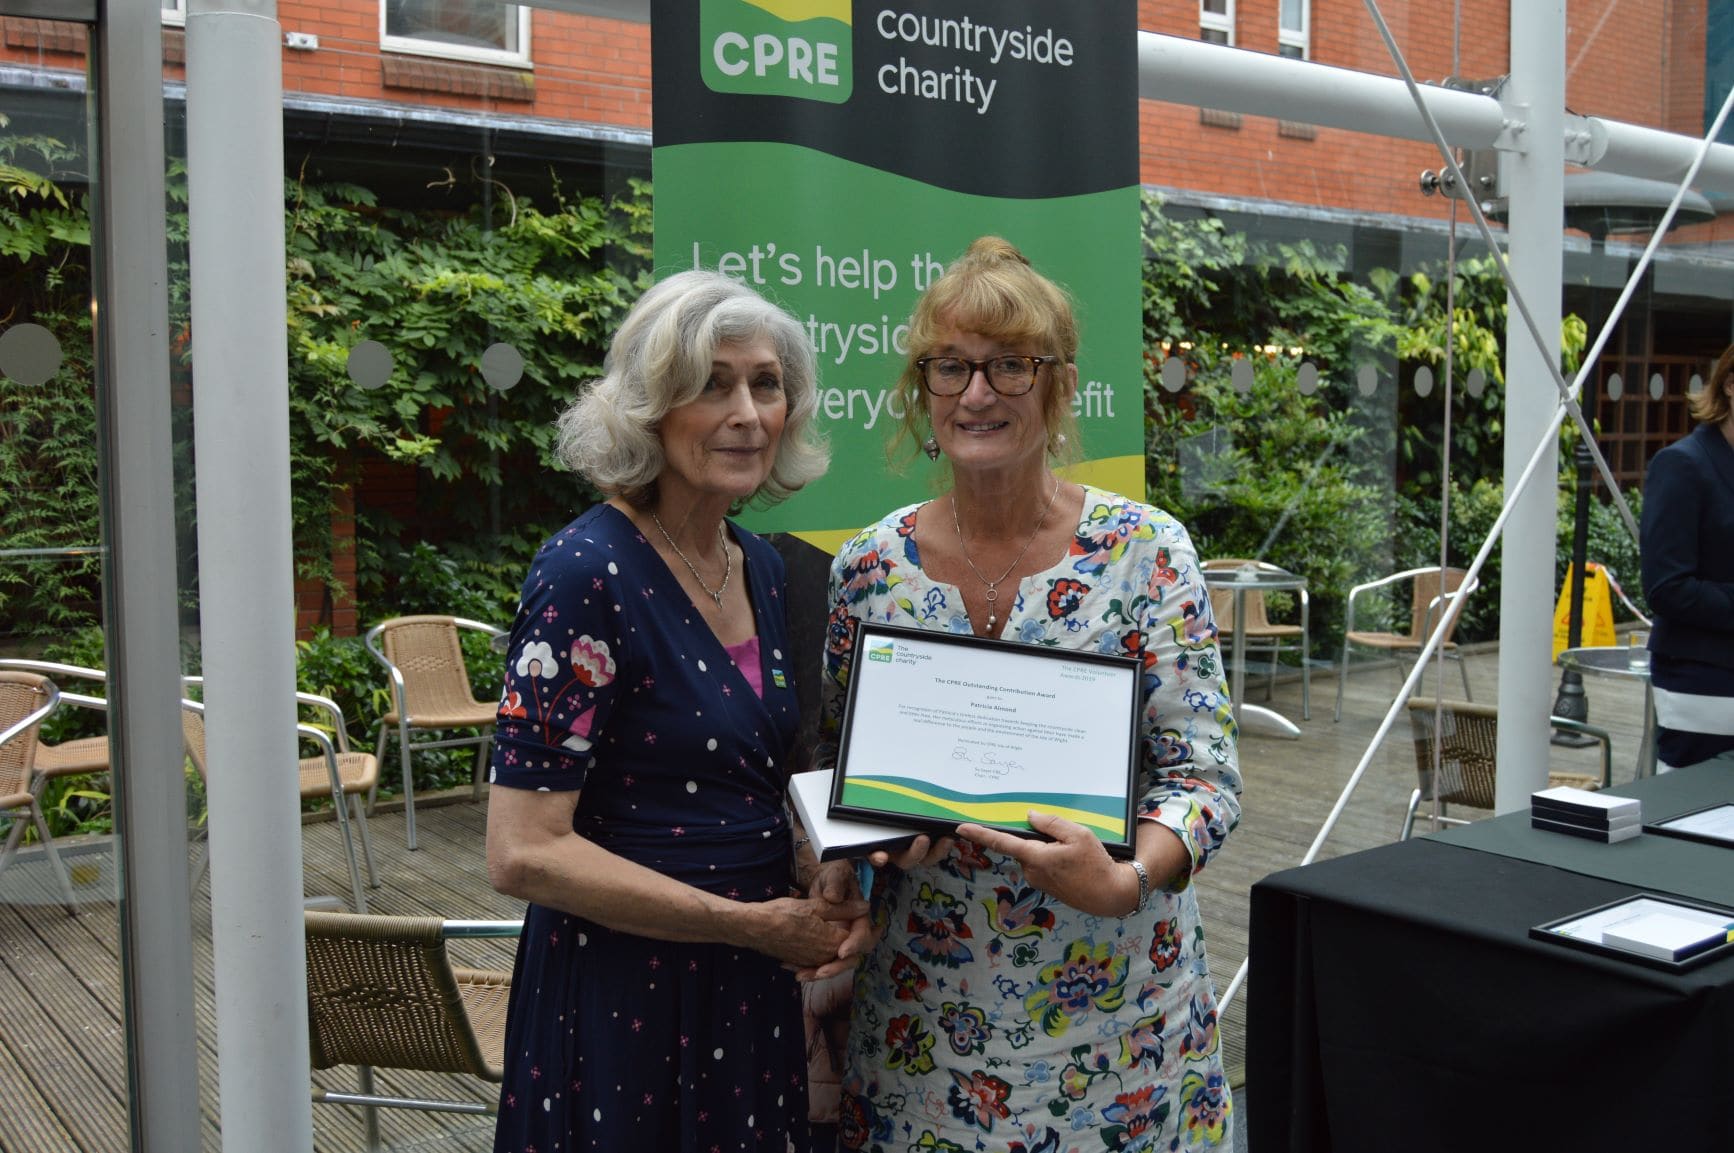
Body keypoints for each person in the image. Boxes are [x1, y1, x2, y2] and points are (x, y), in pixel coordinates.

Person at [820, 238, 1242, 1151]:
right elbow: (840, 768)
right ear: (922, 392)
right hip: (923, 1028)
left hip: (1120, 1025)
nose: (978, 392)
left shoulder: (1147, 551)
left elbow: (1205, 778)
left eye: (1011, 364)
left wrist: (1127, 878)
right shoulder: (868, 567)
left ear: (1057, 386)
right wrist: (869, 848)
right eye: (952, 366)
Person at [485, 269, 868, 1153]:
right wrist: (750, 923)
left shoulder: (760, 567)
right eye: (710, 382)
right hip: (626, 996)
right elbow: (522, 850)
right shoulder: (587, 572)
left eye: (766, 383)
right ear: (649, 408)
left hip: (749, 992)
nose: (746, 411)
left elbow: (744, 779)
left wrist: (818, 871)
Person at [1639, 344, 1734, 771]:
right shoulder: (1681, 465)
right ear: (1730, 385)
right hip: (1703, 685)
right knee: (1692, 823)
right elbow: (1666, 587)